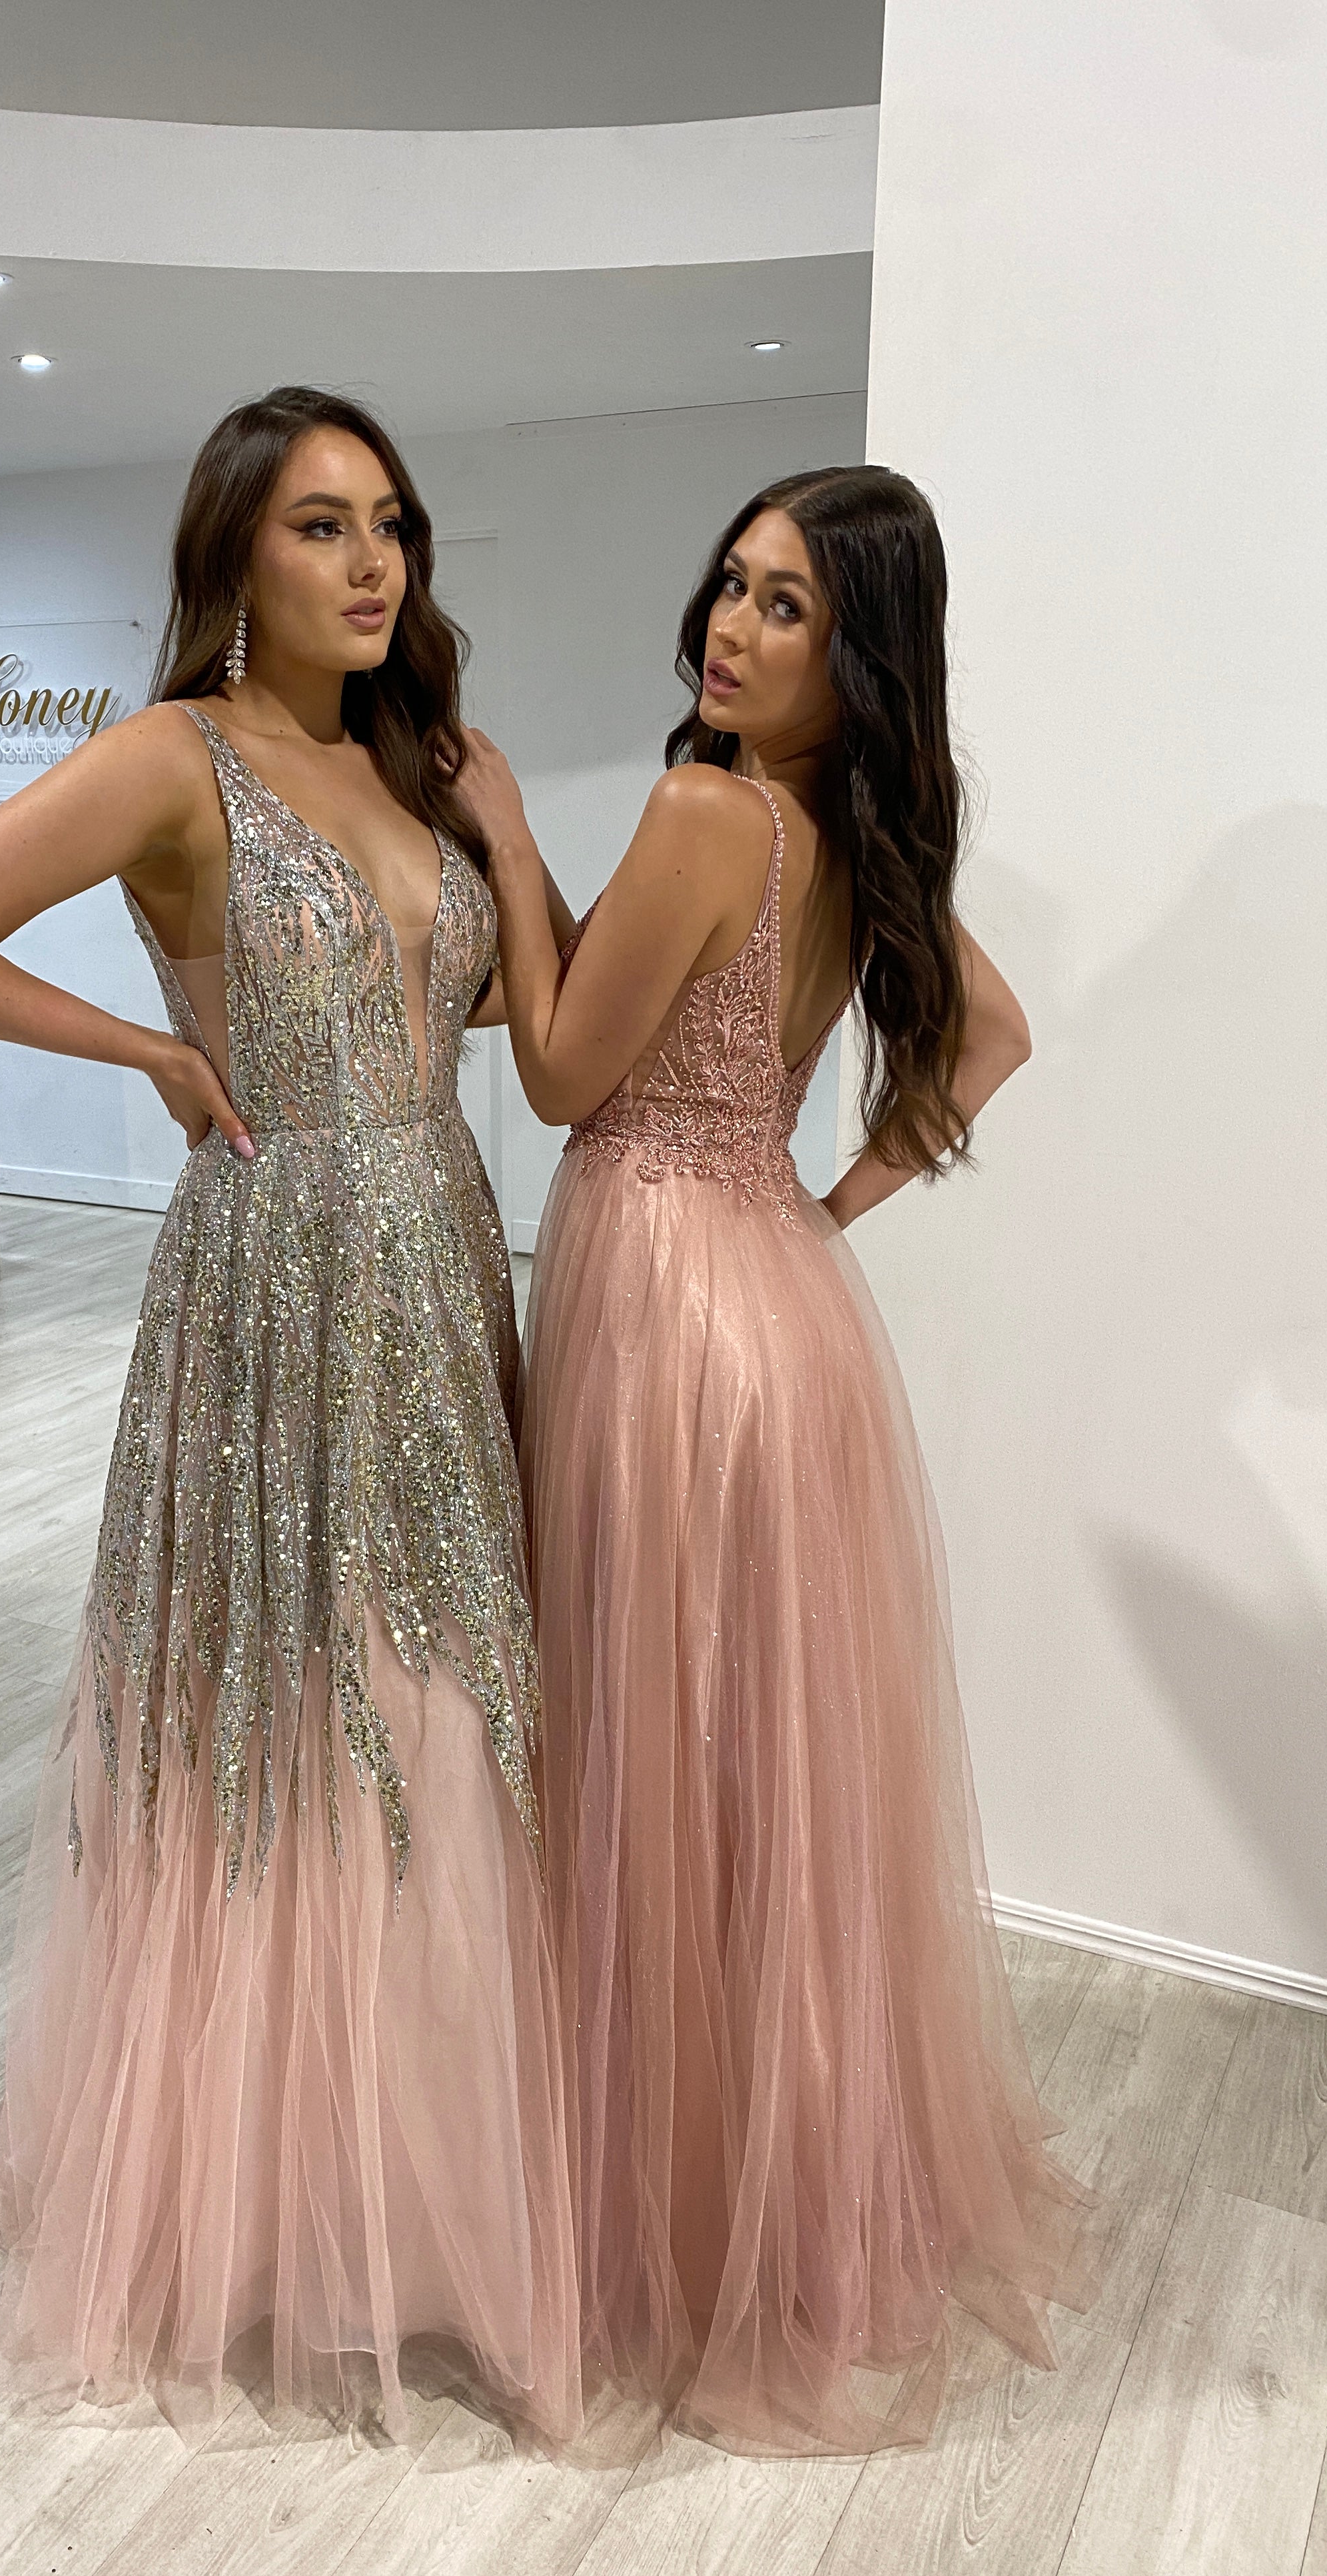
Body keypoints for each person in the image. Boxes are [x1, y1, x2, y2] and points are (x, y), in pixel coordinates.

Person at [0, 387, 578, 2444]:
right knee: (301, 1705)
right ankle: (284, 2195)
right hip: (277, 1278)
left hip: (440, 1252)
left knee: (447, 1702)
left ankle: (437, 2181)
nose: (372, 563)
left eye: (391, 524)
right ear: (234, 554)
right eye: (321, 525)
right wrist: (150, 1055)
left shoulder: (413, 765)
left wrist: (516, 832)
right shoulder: (177, 757)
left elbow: (501, 1004)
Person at [462, 464, 1096, 2455]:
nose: (734, 629)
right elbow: (990, 1038)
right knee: (751, 1784)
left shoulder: (707, 812)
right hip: (783, 1306)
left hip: (666, 1304)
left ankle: (657, 2221)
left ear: (862, 653)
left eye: (789, 607)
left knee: (648, 1754)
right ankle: (772, 2204)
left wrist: (502, 838)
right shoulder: (837, 831)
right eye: (733, 585)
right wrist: (823, 1208)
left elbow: (563, 1070)